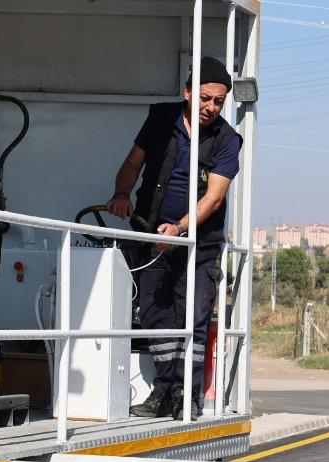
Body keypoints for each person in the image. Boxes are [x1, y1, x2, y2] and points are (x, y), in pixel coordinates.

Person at [107, 57, 242, 418]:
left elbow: (213, 198)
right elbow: (133, 163)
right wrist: (122, 193)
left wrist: (180, 229)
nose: (211, 108)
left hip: (199, 244)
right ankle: (164, 390)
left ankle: (188, 395)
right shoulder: (161, 120)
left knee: (192, 318)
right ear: (187, 92)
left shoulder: (228, 140)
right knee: (153, 312)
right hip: (153, 237)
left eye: (218, 101)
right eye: (204, 98)